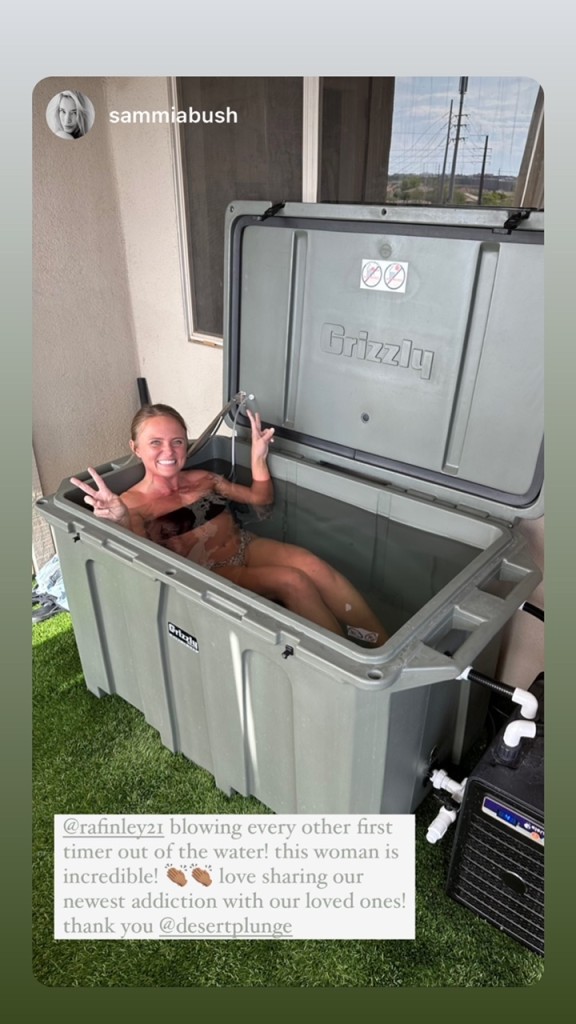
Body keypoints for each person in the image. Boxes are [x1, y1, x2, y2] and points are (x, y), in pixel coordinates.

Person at [70, 403, 388, 646]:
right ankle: (347, 662)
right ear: (135, 448)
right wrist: (120, 520)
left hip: (246, 546)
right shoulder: (133, 505)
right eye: (155, 443)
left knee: (312, 564)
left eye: (177, 441)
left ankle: (376, 641)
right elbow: (139, 558)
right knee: (292, 581)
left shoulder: (204, 479)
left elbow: (260, 500)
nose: (169, 451)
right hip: (210, 570)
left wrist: (259, 457)